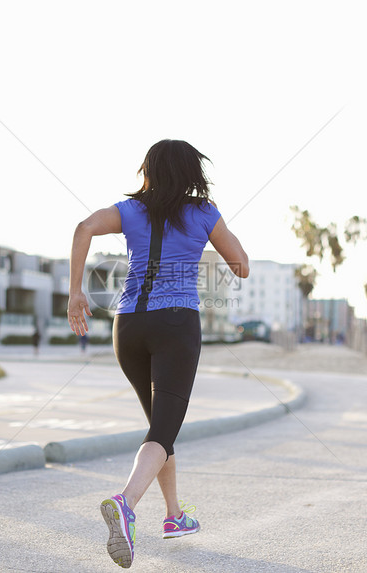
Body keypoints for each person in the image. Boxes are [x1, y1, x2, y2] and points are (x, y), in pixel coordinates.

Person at [67, 139, 249, 568]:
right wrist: (207, 242)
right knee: (163, 429)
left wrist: (76, 292)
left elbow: (83, 228)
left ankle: (173, 516)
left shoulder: (130, 210)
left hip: (127, 325)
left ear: (148, 171)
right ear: (191, 173)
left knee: (159, 426)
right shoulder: (203, 212)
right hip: (175, 324)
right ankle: (126, 504)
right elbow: (241, 264)